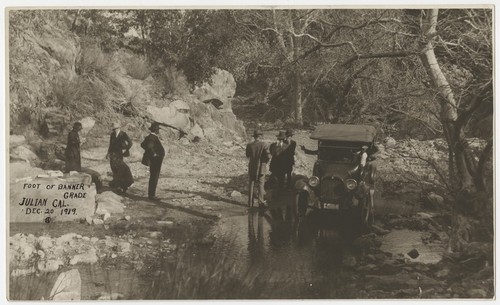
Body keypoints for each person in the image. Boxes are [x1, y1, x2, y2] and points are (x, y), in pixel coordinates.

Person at [106, 122, 134, 193]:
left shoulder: (123, 134)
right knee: (113, 169)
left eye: (115, 129)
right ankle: (117, 186)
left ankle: (123, 187)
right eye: (113, 129)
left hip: (119, 154)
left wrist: (126, 149)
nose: (114, 130)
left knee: (120, 169)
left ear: (118, 128)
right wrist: (108, 153)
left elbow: (130, 142)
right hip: (113, 154)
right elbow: (110, 144)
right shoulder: (112, 134)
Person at [246, 130, 270, 207]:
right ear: (260, 136)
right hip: (261, 167)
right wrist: (265, 162)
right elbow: (268, 156)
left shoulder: (249, 145)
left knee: (251, 184)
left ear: (254, 136)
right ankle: (261, 201)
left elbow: (247, 155)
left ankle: (250, 202)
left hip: (252, 167)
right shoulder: (264, 145)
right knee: (261, 184)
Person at [141, 122, 165, 200]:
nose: (158, 131)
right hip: (155, 160)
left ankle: (151, 194)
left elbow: (142, 145)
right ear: (156, 130)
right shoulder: (152, 137)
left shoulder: (149, 137)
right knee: (154, 177)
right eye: (158, 129)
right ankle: (151, 195)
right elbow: (149, 146)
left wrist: (149, 152)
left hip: (155, 160)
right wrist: (153, 154)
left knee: (153, 176)